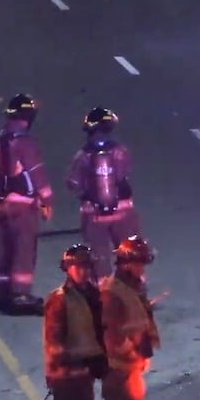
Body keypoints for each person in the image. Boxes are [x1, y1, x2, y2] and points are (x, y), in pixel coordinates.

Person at [0, 93, 54, 312]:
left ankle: (0, 291)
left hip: (0, 203)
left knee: (3, 250)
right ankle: (19, 294)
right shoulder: (25, 142)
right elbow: (37, 173)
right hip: (22, 206)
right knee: (23, 250)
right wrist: (47, 200)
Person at [42, 244, 108, 400]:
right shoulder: (59, 300)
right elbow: (54, 341)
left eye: (85, 266)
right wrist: (67, 364)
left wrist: (101, 358)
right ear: (67, 269)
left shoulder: (92, 295)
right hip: (66, 375)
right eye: (76, 267)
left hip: (85, 373)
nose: (82, 271)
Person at [98, 235, 160, 400]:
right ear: (125, 263)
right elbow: (112, 332)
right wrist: (132, 353)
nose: (142, 268)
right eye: (138, 263)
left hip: (131, 361)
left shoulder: (134, 286)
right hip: (118, 364)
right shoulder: (113, 291)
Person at [66, 107, 140, 279]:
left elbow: (73, 183)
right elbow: (124, 173)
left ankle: (103, 288)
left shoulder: (82, 155)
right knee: (130, 253)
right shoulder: (120, 151)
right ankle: (134, 286)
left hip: (93, 214)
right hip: (122, 211)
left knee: (99, 256)